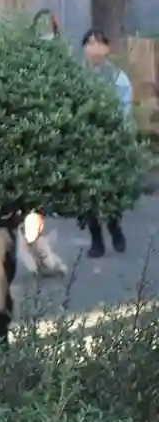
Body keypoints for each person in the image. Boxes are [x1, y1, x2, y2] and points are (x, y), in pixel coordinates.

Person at [81, 27, 134, 256]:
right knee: (86, 195)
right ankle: (96, 241)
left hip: (109, 142)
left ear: (107, 48)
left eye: (98, 43)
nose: (94, 48)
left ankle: (115, 230)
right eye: (89, 43)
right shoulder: (76, 76)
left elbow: (125, 109)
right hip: (84, 143)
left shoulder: (117, 78)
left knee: (110, 192)